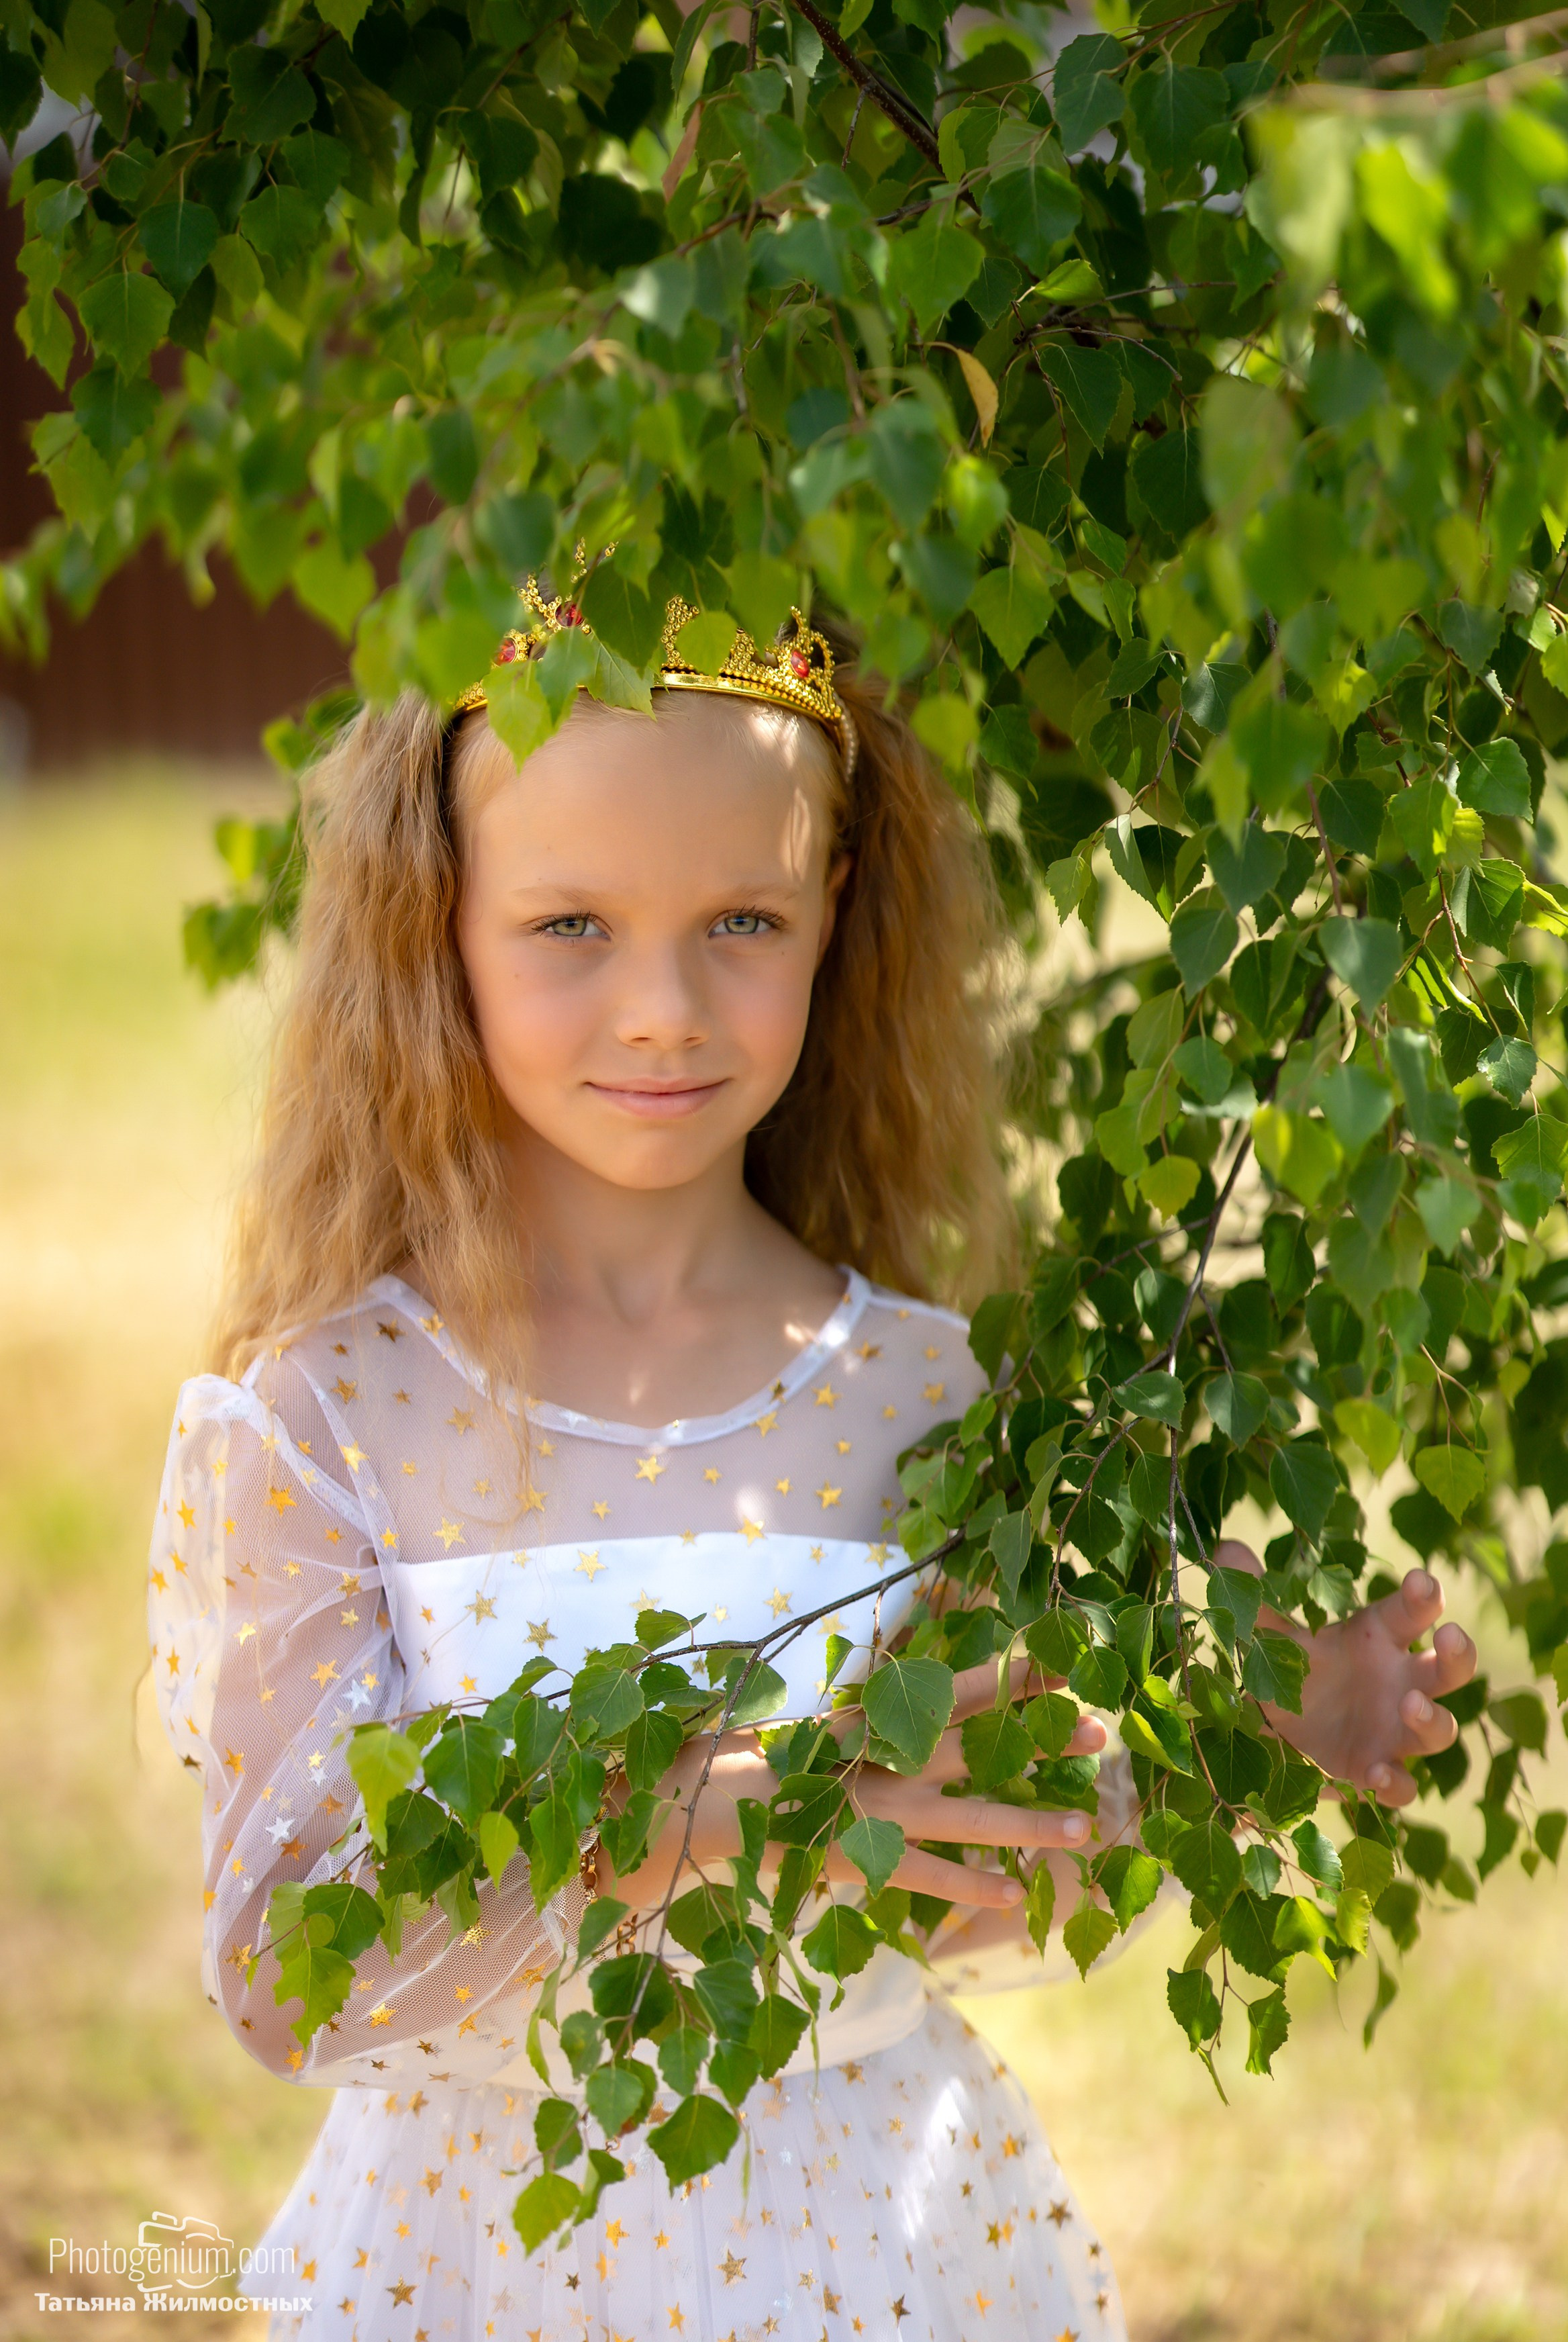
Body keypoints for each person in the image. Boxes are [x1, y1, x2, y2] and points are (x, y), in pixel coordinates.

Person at [146, 593, 1476, 2342]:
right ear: (434, 920)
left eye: (742, 922)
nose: (662, 1010)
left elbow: (984, 1848)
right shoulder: (330, 1416)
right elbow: (288, 1961)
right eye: (568, 924)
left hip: (874, 2243)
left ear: (833, 910)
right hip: (475, 2254)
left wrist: (1259, 1725)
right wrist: (716, 1813)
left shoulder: (923, 1395)